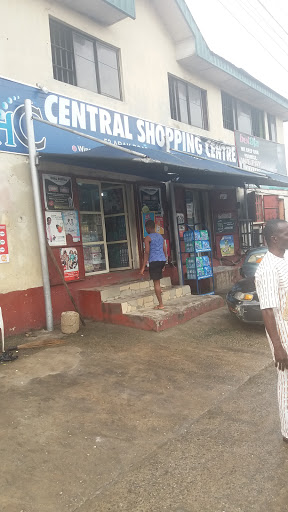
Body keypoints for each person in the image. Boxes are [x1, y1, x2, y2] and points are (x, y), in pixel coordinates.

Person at [255, 219, 288, 442]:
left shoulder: (284, 258)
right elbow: (267, 311)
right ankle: (287, 431)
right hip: (282, 331)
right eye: (287, 233)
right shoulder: (266, 269)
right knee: (286, 380)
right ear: (275, 238)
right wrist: (278, 347)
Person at [140, 220, 167, 309]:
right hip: (162, 260)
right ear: (154, 227)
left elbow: (147, 252)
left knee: (156, 283)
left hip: (154, 261)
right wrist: (165, 261)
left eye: (146, 228)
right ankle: (159, 290)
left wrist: (143, 267)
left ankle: (161, 304)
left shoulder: (147, 238)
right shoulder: (160, 237)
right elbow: (164, 249)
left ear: (147, 228)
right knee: (158, 280)